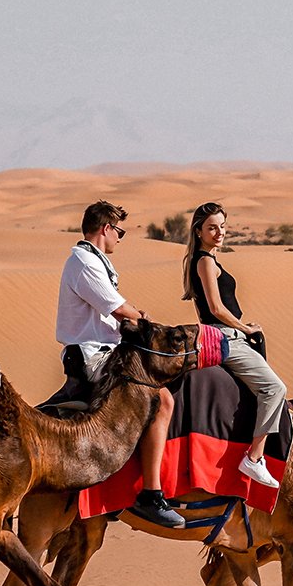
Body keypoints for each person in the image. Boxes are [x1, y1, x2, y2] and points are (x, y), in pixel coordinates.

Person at [56, 200, 182, 529]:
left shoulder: (92, 261)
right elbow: (116, 307)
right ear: (105, 228)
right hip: (92, 356)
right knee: (160, 400)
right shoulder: (84, 262)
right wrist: (145, 319)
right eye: (119, 232)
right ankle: (151, 495)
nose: (119, 240)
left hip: (104, 350)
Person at [182, 202, 285, 491]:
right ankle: (254, 457)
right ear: (199, 231)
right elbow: (215, 308)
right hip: (225, 336)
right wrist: (245, 328)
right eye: (212, 227)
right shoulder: (204, 261)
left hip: (226, 333)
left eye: (222, 226)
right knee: (275, 389)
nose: (219, 233)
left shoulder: (206, 260)